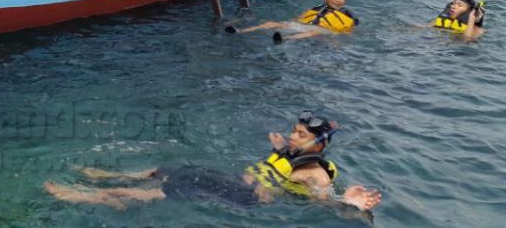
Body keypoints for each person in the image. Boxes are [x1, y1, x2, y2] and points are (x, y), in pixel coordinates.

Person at [44, 111, 382, 213]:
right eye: (293, 131)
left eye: (298, 133)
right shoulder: (292, 152)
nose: (292, 136)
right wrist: (281, 146)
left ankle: (96, 197)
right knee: (172, 169)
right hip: (233, 178)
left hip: (245, 196)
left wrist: (347, 202)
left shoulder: (315, 172)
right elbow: (281, 157)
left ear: (318, 144)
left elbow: (323, 200)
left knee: (173, 190)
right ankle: (110, 177)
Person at [227, 0, 358, 42]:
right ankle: (241, 31)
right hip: (306, 25)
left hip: (325, 31)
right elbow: (302, 17)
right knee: (272, 23)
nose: (338, 0)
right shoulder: (318, 7)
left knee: (313, 32)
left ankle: (284, 39)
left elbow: (351, 27)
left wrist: (338, 39)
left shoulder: (347, 12)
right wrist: (289, 24)